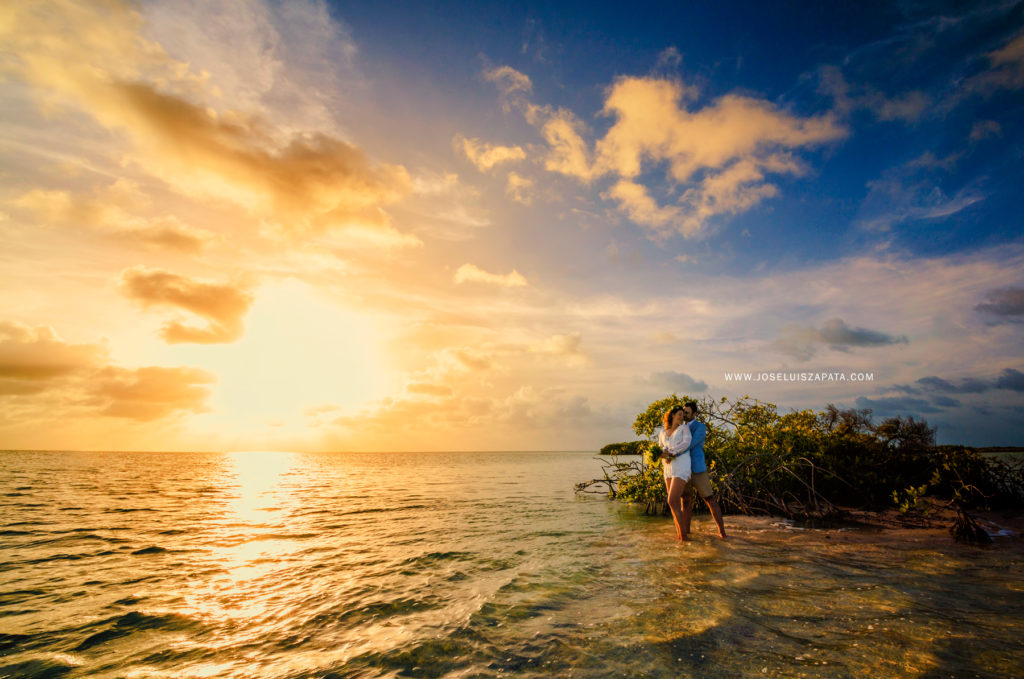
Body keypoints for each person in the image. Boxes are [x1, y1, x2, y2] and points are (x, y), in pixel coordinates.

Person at [679, 401, 727, 539]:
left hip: (697, 469)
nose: (684, 415)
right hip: (683, 469)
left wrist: (673, 451)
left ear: (694, 414)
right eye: (683, 412)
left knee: (710, 499)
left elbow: (690, 444)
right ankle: (686, 534)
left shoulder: (700, 427)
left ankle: (722, 532)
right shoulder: (679, 427)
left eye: (687, 413)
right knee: (685, 501)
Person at [656, 405, 691, 541]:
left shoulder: (684, 428)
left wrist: (672, 452)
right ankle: (680, 535)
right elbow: (661, 447)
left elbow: (686, 443)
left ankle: (684, 536)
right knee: (674, 503)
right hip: (668, 467)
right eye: (680, 415)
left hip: (681, 464)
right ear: (672, 415)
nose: (682, 418)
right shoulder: (663, 432)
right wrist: (661, 454)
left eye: (683, 415)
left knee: (671, 500)